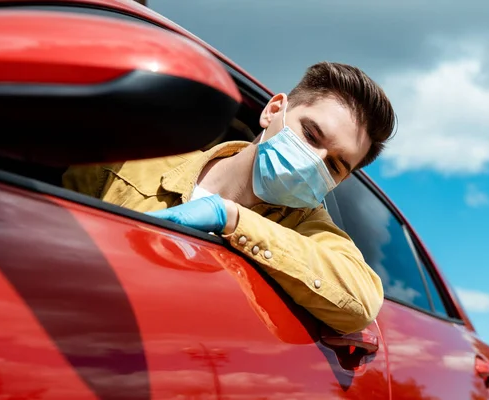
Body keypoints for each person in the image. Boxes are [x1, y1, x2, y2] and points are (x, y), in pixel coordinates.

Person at [62, 61, 396, 334]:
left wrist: (231, 218)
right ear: (273, 110)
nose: (314, 161)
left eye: (335, 165)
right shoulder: (137, 161)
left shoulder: (308, 228)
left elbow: (362, 302)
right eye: (310, 134)